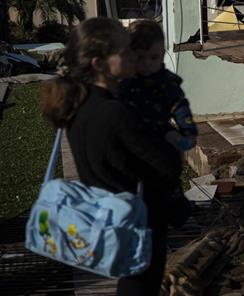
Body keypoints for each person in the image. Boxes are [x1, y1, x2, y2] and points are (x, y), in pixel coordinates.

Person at [41, 17, 181, 296]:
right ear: (99, 64)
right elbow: (169, 165)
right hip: (136, 227)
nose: (134, 56)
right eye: (125, 51)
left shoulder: (80, 105)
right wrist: (170, 136)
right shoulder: (115, 113)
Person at [117, 19, 197, 226]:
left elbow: (180, 107)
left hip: (160, 131)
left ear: (162, 53)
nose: (146, 64)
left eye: (153, 57)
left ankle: (175, 203)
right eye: (140, 58)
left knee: (168, 170)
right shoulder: (126, 83)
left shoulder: (167, 82)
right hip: (133, 134)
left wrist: (187, 131)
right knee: (137, 178)